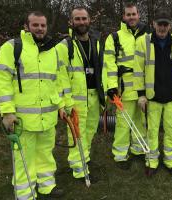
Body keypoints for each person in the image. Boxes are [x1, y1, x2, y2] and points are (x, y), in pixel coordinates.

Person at [0, 11, 69, 199]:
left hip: (48, 117)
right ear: (26, 27)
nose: (40, 29)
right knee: (23, 159)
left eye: (43, 25)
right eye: (35, 25)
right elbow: (1, 80)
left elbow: (56, 81)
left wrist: (61, 105)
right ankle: (25, 194)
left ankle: (46, 187)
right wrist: (7, 112)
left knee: (45, 154)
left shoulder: (53, 50)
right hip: (23, 120)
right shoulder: (12, 47)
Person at [134, 10, 172, 178]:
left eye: (165, 24)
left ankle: (171, 162)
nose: (162, 27)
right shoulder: (143, 42)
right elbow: (138, 70)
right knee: (152, 132)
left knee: (171, 131)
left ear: (170, 26)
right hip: (153, 97)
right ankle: (152, 162)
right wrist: (141, 95)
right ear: (154, 24)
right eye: (160, 24)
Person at [56, 6, 106, 182]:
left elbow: (102, 70)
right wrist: (66, 102)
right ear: (71, 22)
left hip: (93, 96)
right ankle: (79, 169)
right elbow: (60, 77)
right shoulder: (65, 46)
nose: (81, 22)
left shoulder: (96, 42)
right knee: (77, 133)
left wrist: (104, 93)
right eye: (77, 19)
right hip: (75, 100)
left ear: (89, 20)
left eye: (84, 18)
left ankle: (84, 159)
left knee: (90, 130)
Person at [104, 3, 150, 170]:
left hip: (144, 88)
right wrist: (111, 87)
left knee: (141, 121)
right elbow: (109, 64)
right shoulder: (114, 37)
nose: (131, 17)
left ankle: (138, 150)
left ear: (139, 15)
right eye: (128, 14)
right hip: (124, 88)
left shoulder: (148, 35)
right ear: (123, 17)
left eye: (134, 14)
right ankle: (120, 155)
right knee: (123, 124)